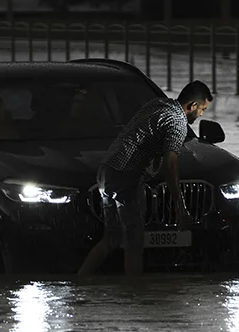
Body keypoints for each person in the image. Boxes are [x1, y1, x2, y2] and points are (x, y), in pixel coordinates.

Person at [77, 80, 213, 278]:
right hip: (127, 176)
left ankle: (80, 282)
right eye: (202, 109)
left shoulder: (157, 104)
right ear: (192, 106)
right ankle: (135, 297)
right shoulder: (177, 122)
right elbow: (171, 165)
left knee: (112, 238)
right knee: (134, 244)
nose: (201, 114)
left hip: (106, 171)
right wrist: (180, 208)